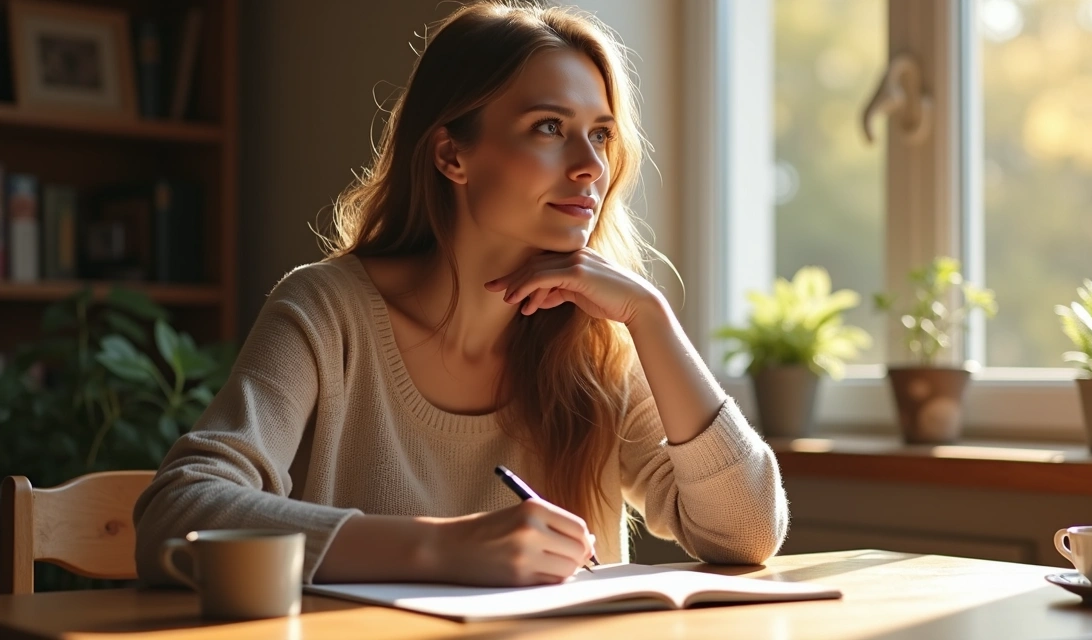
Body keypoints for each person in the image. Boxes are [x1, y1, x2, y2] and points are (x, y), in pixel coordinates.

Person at [134, 0, 788, 588]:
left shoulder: (597, 337)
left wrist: (650, 317)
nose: (590, 165)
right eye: (549, 127)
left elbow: (747, 535)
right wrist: (440, 547)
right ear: (452, 156)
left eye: (601, 133)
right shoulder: (326, 311)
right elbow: (179, 509)